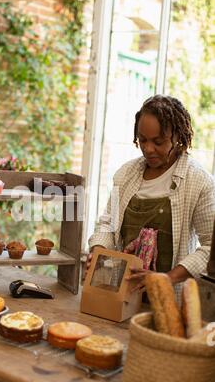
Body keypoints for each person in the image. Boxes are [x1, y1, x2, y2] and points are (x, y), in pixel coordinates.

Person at [86, 95, 215, 302]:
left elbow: (211, 248)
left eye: (158, 141)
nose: (148, 149)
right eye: (142, 140)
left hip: (169, 300)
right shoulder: (126, 174)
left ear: (178, 137)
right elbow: (108, 224)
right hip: (122, 296)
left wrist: (166, 279)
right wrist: (98, 255)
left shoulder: (199, 181)